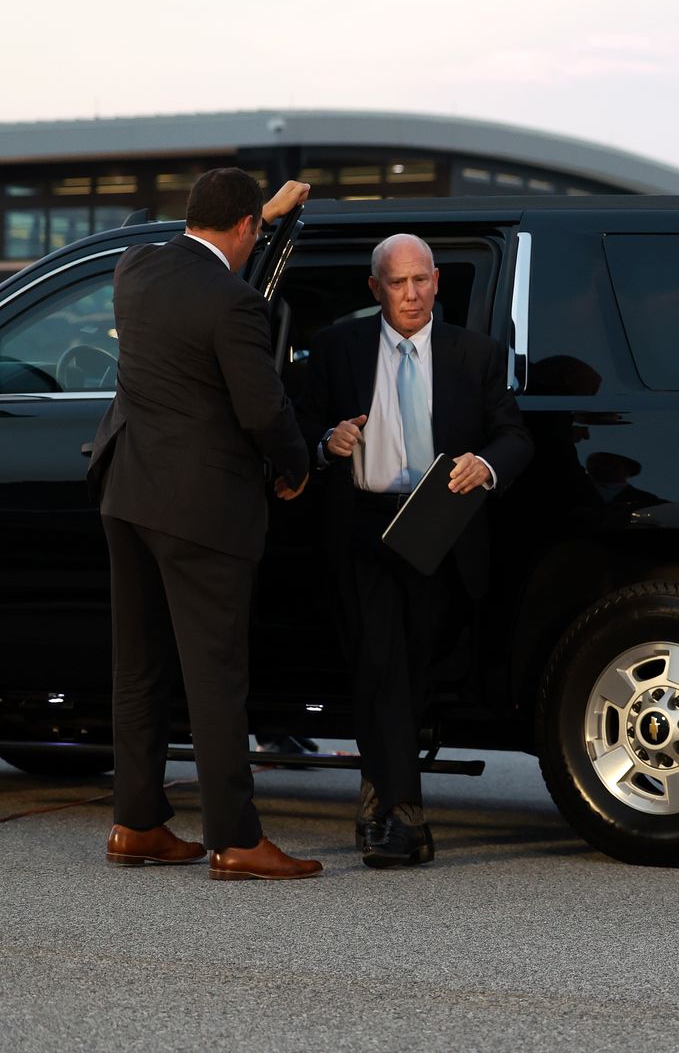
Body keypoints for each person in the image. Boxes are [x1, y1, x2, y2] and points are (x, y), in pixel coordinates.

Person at [89, 168, 323, 881]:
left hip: (127, 494)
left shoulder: (137, 268)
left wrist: (265, 208)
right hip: (201, 510)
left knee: (138, 668)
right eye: (254, 227)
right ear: (247, 228)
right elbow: (261, 410)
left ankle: (137, 824)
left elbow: (185, 249)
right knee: (216, 678)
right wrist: (297, 464)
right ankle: (235, 839)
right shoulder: (234, 303)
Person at [301, 233, 531, 868]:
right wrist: (327, 441)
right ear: (376, 289)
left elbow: (515, 435)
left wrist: (483, 465)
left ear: (437, 282)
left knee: (414, 673)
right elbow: (298, 425)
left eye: (422, 281)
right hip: (364, 529)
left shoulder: (474, 354)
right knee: (381, 665)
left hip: (438, 528)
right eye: (398, 283)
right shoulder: (336, 347)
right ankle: (404, 819)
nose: (412, 294)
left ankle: (380, 797)